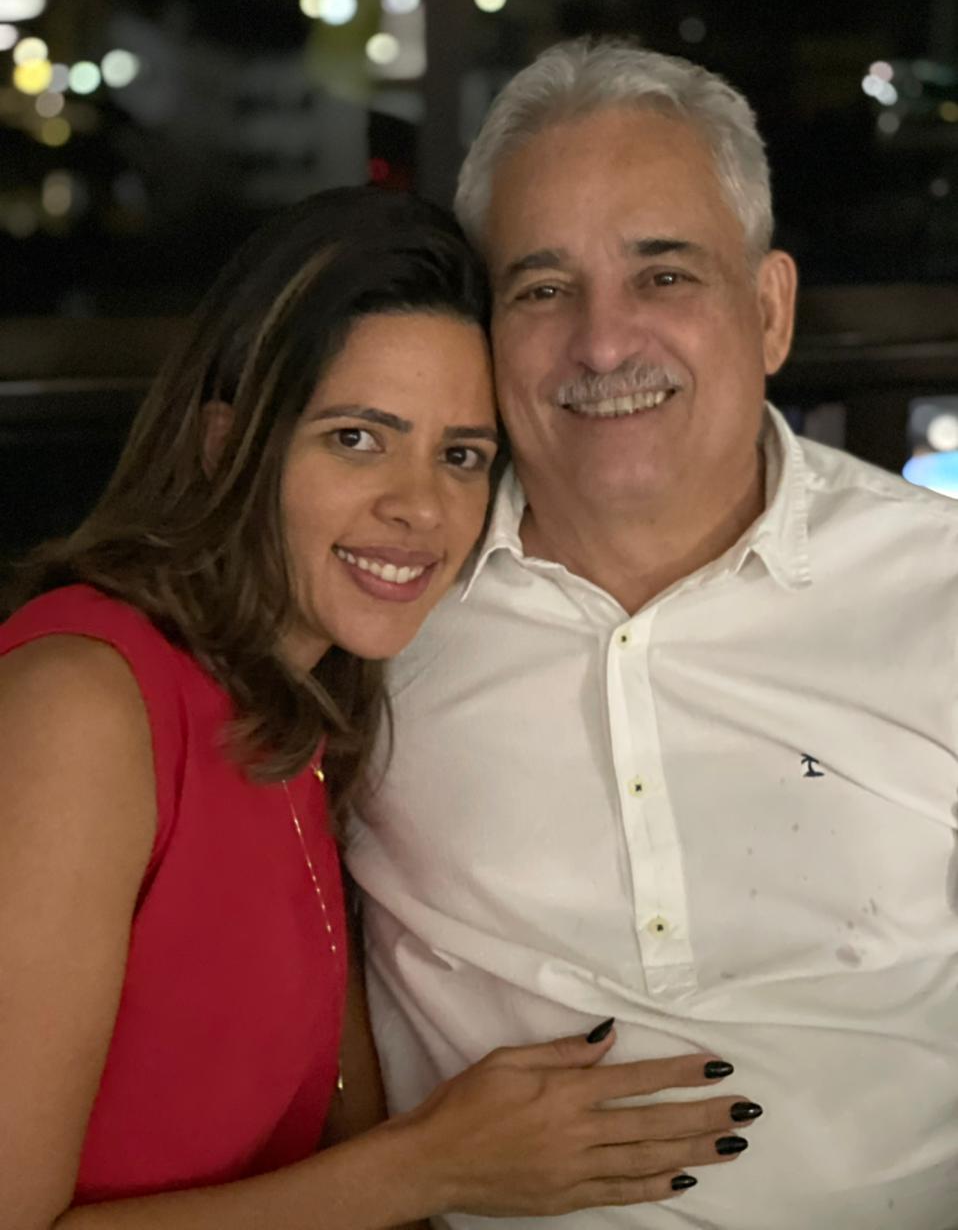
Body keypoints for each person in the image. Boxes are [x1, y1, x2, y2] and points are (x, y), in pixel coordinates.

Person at [0, 186, 751, 1229]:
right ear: (226, 443)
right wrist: (433, 1165)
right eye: (357, 438)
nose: (419, 505)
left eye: (461, 455)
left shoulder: (303, 711)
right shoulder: (82, 705)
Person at [348, 40, 958, 1230]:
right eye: (541, 289)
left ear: (767, 309)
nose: (603, 342)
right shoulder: (383, 600)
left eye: (663, 273)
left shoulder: (938, 587)